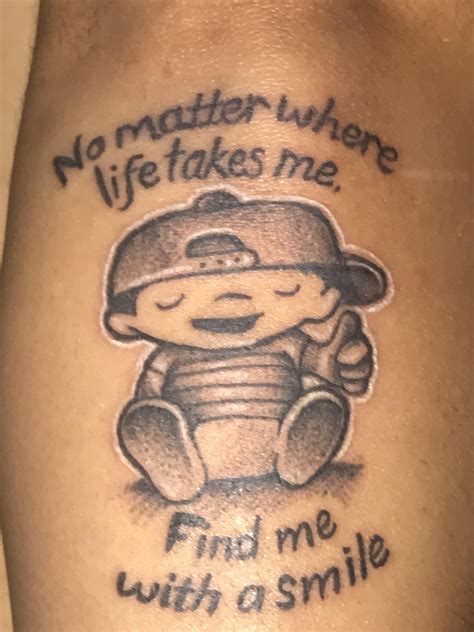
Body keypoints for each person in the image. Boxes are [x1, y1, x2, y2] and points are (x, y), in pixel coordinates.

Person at [0, 1, 471, 630]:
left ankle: (302, 438)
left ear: (323, 296)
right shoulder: (169, 357)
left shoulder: (296, 343)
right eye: (173, 301)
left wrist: (342, 360)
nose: (231, 304)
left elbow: (330, 362)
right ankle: (169, 447)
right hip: (194, 437)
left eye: (278, 290)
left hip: (278, 425)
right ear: (131, 323)